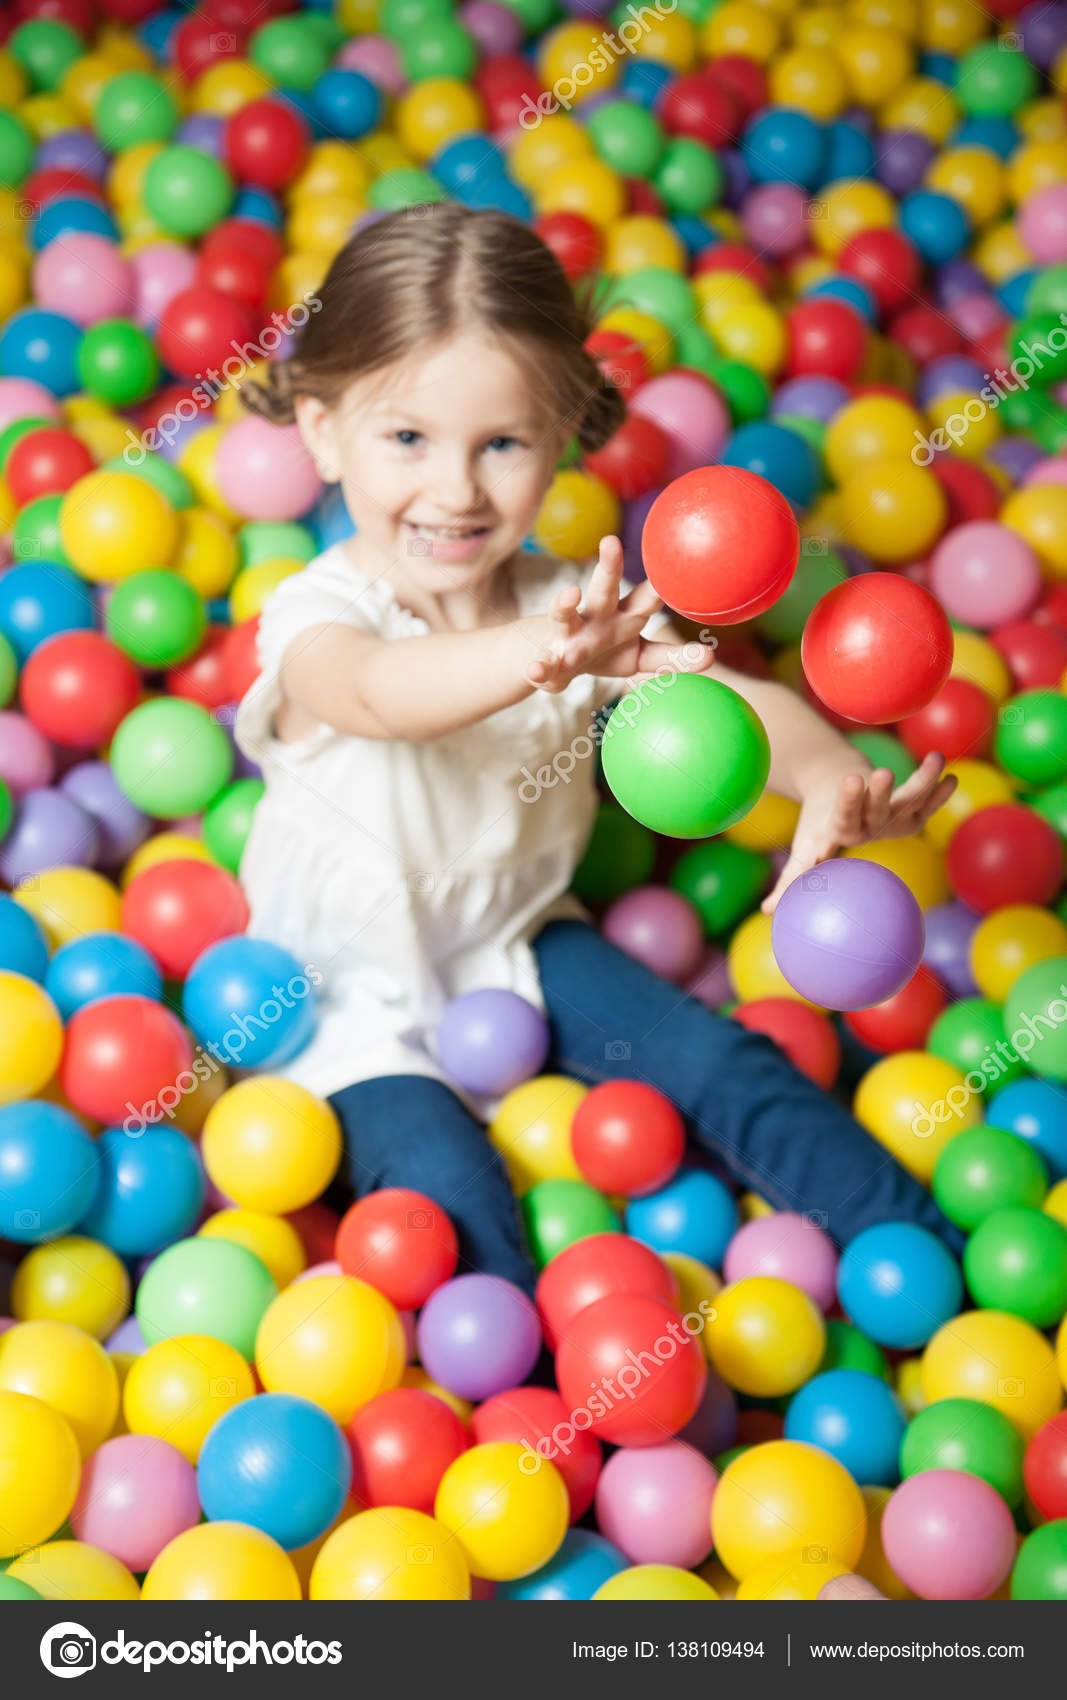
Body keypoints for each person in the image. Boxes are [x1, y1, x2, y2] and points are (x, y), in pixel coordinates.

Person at [235, 203, 963, 1300]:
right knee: (447, 1205)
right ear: (322, 429)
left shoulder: (574, 606)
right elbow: (377, 695)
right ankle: (532, 1431)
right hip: (340, 1000)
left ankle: (941, 1272)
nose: (454, 489)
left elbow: (732, 703)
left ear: (563, 431)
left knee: (724, 1062)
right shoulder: (318, 613)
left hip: (520, 937)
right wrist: (545, 650)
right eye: (405, 438)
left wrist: (821, 774)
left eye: (501, 442)